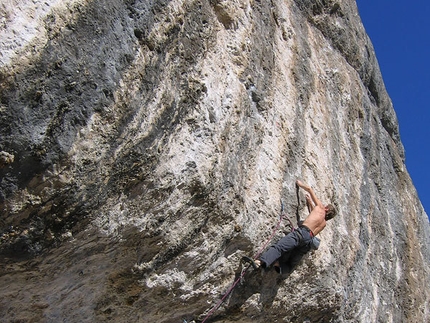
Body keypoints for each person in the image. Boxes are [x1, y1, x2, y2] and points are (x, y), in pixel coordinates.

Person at [242, 180, 337, 274]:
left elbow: (309, 189)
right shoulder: (324, 224)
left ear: (327, 209)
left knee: (279, 247)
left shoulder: (320, 207)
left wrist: (300, 184)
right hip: (307, 240)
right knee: (291, 261)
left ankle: (259, 262)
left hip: (301, 233)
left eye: (325, 206)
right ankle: (279, 266)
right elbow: (314, 214)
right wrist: (309, 203)